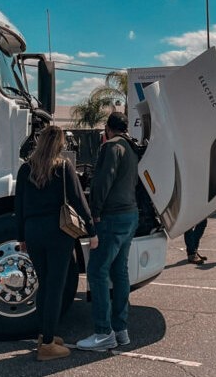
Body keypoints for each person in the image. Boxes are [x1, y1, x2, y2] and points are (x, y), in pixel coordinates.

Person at [14, 125, 94, 362]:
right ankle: (48, 344)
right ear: (59, 144)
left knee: (44, 284)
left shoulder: (25, 169)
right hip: (58, 233)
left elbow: (18, 207)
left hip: (33, 232)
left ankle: (44, 335)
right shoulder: (63, 167)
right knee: (55, 287)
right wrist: (92, 230)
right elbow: (79, 200)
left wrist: (22, 238)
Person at [77, 111, 139, 352]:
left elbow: (103, 180)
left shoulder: (111, 147)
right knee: (119, 271)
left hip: (112, 217)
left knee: (97, 271)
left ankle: (103, 333)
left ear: (107, 129)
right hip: (130, 215)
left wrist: (94, 211)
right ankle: (121, 330)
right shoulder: (132, 148)